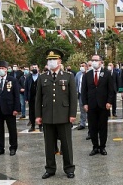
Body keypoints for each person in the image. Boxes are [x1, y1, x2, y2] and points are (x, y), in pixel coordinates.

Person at [35, 49, 77, 179]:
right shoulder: (42, 77)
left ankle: (69, 168)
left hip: (64, 115)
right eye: (49, 60)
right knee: (49, 144)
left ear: (59, 61)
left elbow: (73, 97)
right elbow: (38, 98)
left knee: (66, 144)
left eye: (53, 59)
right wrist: (38, 115)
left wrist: (72, 114)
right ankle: (50, 168)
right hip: (47, 115)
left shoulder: (68, 76)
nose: (51, 62)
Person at [82, 54, 115, 156]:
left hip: (103, 105)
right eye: (92, 60)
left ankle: (102, 147)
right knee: (92, 127)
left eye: (96, 60)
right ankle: (95, 146)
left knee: (103, 127)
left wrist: (109, 102)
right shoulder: (87, 75)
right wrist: (85, 103)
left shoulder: (107, 74)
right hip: (91, 105)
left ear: (101, 62)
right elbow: (84, 90)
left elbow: (111, 90)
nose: (94, 62)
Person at [0, 61, 21, 156]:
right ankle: (0, 148)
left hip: (9, 108)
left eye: (3, 68)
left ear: (6, 69)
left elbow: (16, 95)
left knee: (12, 129)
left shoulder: (12, 80)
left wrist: (16, 108)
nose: (1, 70)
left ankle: (13, 147)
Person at [25, 64, 41, 132]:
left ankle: (41, 125)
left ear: (38, 69)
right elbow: (26, 88)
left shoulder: (41, 77)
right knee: (31, 112)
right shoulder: (28, 77)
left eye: (36, 67)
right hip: (31, 97)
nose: (34, 68)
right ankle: (32, 126)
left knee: (40, 112)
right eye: (33, 67)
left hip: (39, 97)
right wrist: (26, 98)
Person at [74, 62, 88, 131]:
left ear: (86, 67)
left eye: (83, 66)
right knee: (82, 109)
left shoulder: (89, 74)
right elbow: (75, 84)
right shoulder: (78, 74)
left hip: (88, 95)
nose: (82, 67)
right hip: (80, 94)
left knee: (89, 109)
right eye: (81, 66)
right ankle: (82, 123)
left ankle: (91, 122)